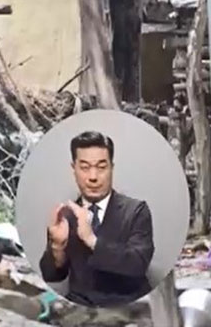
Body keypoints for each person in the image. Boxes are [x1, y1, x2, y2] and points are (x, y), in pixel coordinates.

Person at [39, 130, 155, 306]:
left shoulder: (136, 211)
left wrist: (92, 240)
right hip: (80, 310)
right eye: (85, 167)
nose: (93, 177)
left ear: (111, 168)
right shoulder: (66, 215)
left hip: (129, 306)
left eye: (101, 167)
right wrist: (57, 247)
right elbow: (51, 275)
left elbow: (138, 264)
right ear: (74, 169)